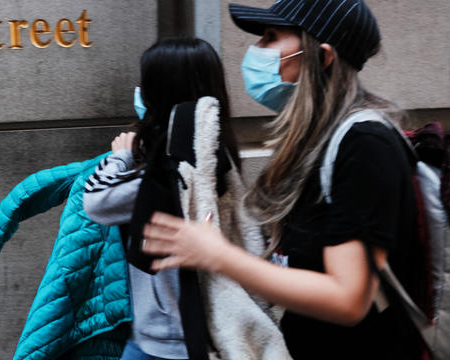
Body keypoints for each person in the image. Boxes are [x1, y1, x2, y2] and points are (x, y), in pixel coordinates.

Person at [141, 1, 429, 359]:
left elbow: (348, 299)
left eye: (272, 37)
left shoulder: (364, 145)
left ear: (322, 57)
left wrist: (219, 256)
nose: (256, 49)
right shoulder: (318, 144)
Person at [83, 38, 289, 360]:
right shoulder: (216, 162)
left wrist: (119, 157)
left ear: (160, 92)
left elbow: (96, 201)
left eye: (146, 82)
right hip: (177, 336)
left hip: (166, 343)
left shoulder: (167, 174)